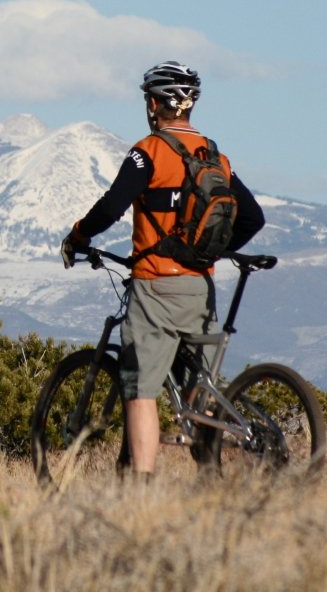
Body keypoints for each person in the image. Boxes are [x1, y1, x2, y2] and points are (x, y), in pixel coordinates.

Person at [60, 61, 265, 476]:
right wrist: (209, 254)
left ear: (154, 104)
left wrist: (79, 236)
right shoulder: (215, 157)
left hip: (155, 286)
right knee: (199, 392)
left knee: (141, 390)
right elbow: (252, 218)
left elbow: (111, 207)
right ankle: (211, 475)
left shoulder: (148, 153)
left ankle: (143, 485)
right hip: (200, 286)